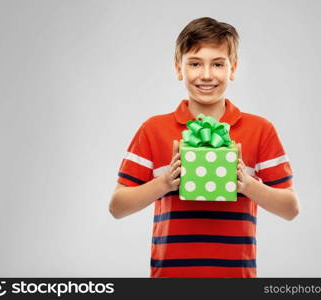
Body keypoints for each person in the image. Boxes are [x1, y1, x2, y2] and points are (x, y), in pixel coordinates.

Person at [109, 17, 300, 278]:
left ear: (233, 69)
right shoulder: (153, 130)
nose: (207, 75)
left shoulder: (261, 130)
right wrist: (164, 182)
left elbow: (290, 208)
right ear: (179, 69)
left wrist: (247, 184)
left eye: (218, 64)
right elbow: (117, 207)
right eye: (195, 64)